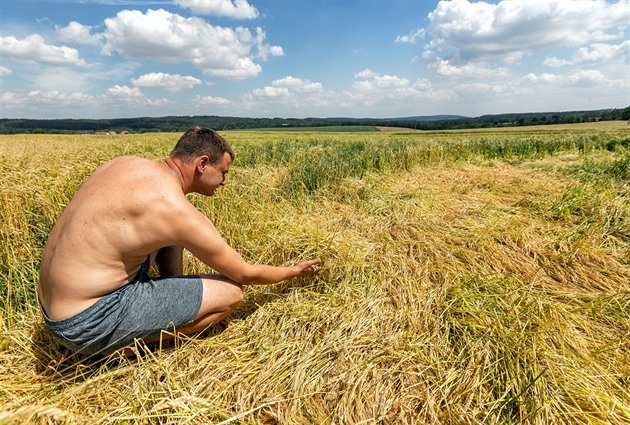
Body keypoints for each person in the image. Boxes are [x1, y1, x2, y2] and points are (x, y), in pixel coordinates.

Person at [38, 126, 321, 355]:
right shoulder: (174, 210)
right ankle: (124, 349)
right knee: (231, 293)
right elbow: (243, 273)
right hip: (86, 322)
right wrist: (294, 271)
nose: (225, 182)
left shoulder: (124, 164)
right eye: (223, 173)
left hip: (52, 306)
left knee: (168, 238)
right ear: (202, 164)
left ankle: (158, 308)